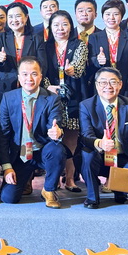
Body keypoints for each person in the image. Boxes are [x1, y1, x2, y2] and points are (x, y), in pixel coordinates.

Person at [0, 57, 67, 207]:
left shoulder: (52, 99)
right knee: (8, 198)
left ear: (40, 77)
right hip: (20, 154)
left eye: (34, 74)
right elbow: (3, 136)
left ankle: (48, 190)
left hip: (42, 151)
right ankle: (24, 180)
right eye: (25, 74)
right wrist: (7, 167)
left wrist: (57, 132)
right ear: (19, 77)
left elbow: (56, 124)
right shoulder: (8, 98)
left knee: (57, 150)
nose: (29, 79)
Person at [80, 67, 128, 208]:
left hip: (120, 156)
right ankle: (92, 197)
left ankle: (120, 191)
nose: (108, 86)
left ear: (120, 84)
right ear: (97, 85)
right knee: (87, 156)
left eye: (113, 82)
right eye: (103, 82)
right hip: (98, 156)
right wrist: (100, 143)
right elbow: (85, 135)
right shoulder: (86, 106)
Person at [43, 10, 88, 191]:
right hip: (50, 97)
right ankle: (52, 179)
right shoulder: (44, 46)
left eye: (64, 24)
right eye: (56, 25)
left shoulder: (79, 45)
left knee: (70, 139)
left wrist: (72, 70)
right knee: (51, 138)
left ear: (71, 26)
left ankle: (69, 179)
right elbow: (41, 70)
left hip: (73, 96)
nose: (60, 28)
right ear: (50, 27)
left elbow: (79, 67)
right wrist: (48, 87)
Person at [0, 2, 47, 110]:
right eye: (10, 17)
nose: (14, 20)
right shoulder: (1, 37)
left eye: (18, 16)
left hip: (30, 87)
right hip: (4, 87)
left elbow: (43, 64)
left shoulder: (36, 39)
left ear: (26, 17)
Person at [88, 0, 128, 99]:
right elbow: (90, 62)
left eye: (116, 14)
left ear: (121, 16)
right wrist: (98, 61)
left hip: (125, 88)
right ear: (102, 16)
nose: (111, 18)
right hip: (102, 89)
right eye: (107, 14)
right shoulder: (94, 37)